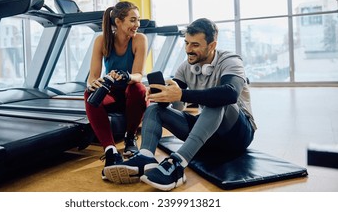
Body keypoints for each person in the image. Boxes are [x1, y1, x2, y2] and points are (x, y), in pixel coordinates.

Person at [103, 18, 257, 191]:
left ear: (212, 45)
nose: (188, 50)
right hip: (208, 135)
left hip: (237, 134)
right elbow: (174, 104)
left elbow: (230, 93)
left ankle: (177, 164)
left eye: (195, 45)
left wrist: (182, 93)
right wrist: (162, 96)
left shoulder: (231, 61)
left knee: (219, 100)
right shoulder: (186, 67)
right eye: (186, 43)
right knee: (154, 109)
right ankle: (146, 158)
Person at [84, 1, 149, 180]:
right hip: (112, 93)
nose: (137, 25)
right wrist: (96, 83)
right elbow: (93, 77)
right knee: (89, 93)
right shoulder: (102, 40)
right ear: (119, 22)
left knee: (138, 88)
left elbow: (139, 75)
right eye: (133, 20)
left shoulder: (139, 39)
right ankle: (111, 151)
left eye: (138, 20)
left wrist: (126, 76)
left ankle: (130, 137)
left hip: (131, 92)